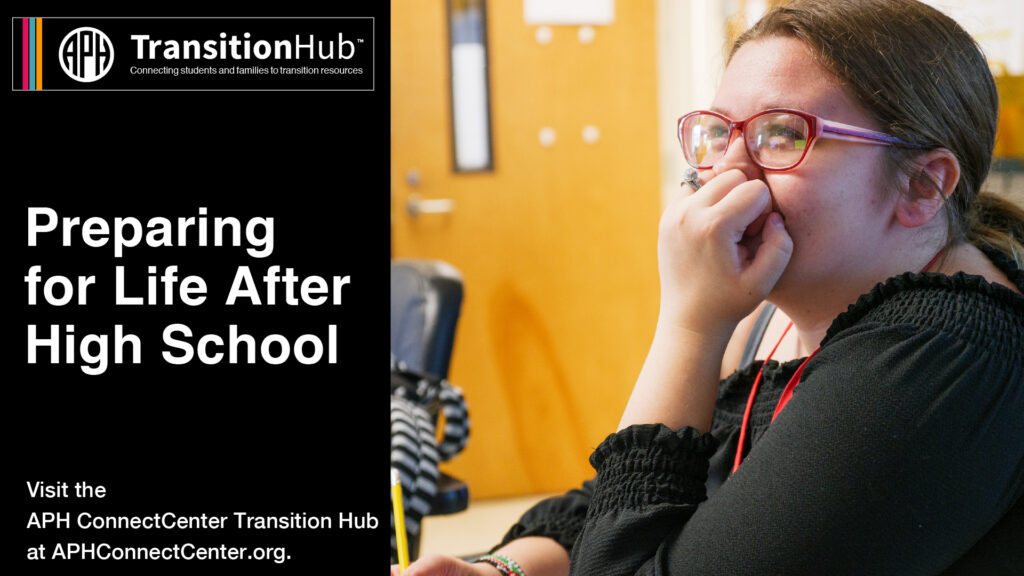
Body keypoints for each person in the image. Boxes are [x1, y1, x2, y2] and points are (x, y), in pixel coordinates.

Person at [391, 0, 1024, 573]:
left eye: (781, 134)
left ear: (922, 185)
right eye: (721, 133)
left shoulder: (937, 355)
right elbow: (652, 489)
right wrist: (502, 569)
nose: (727, 172)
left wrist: (688, 327)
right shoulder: (771, 316)